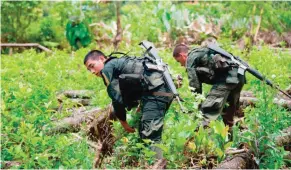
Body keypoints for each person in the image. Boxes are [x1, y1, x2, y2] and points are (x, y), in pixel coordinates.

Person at [84, 50, 173, 160]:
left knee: (151, 135)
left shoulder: (107, 68)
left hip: (156, 93)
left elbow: (116, 99)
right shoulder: (119, 63)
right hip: (162, 90)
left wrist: (123, 122)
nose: (92, 71)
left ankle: (157, 165)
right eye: (89, 69)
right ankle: (145, 163)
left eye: (92, 66)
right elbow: (138, 81)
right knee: (144, 132)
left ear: (102, 59)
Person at [172, 43, 246, 128]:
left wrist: (197, 102)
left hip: (226, 79)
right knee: (228, 114)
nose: (181, 65)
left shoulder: (191, 57)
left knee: (206, 113)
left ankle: (198, 139)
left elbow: (194, 83)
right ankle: (231, 139)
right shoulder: (204, 51)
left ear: (182, 55)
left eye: (179, 61)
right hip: (239, 76)